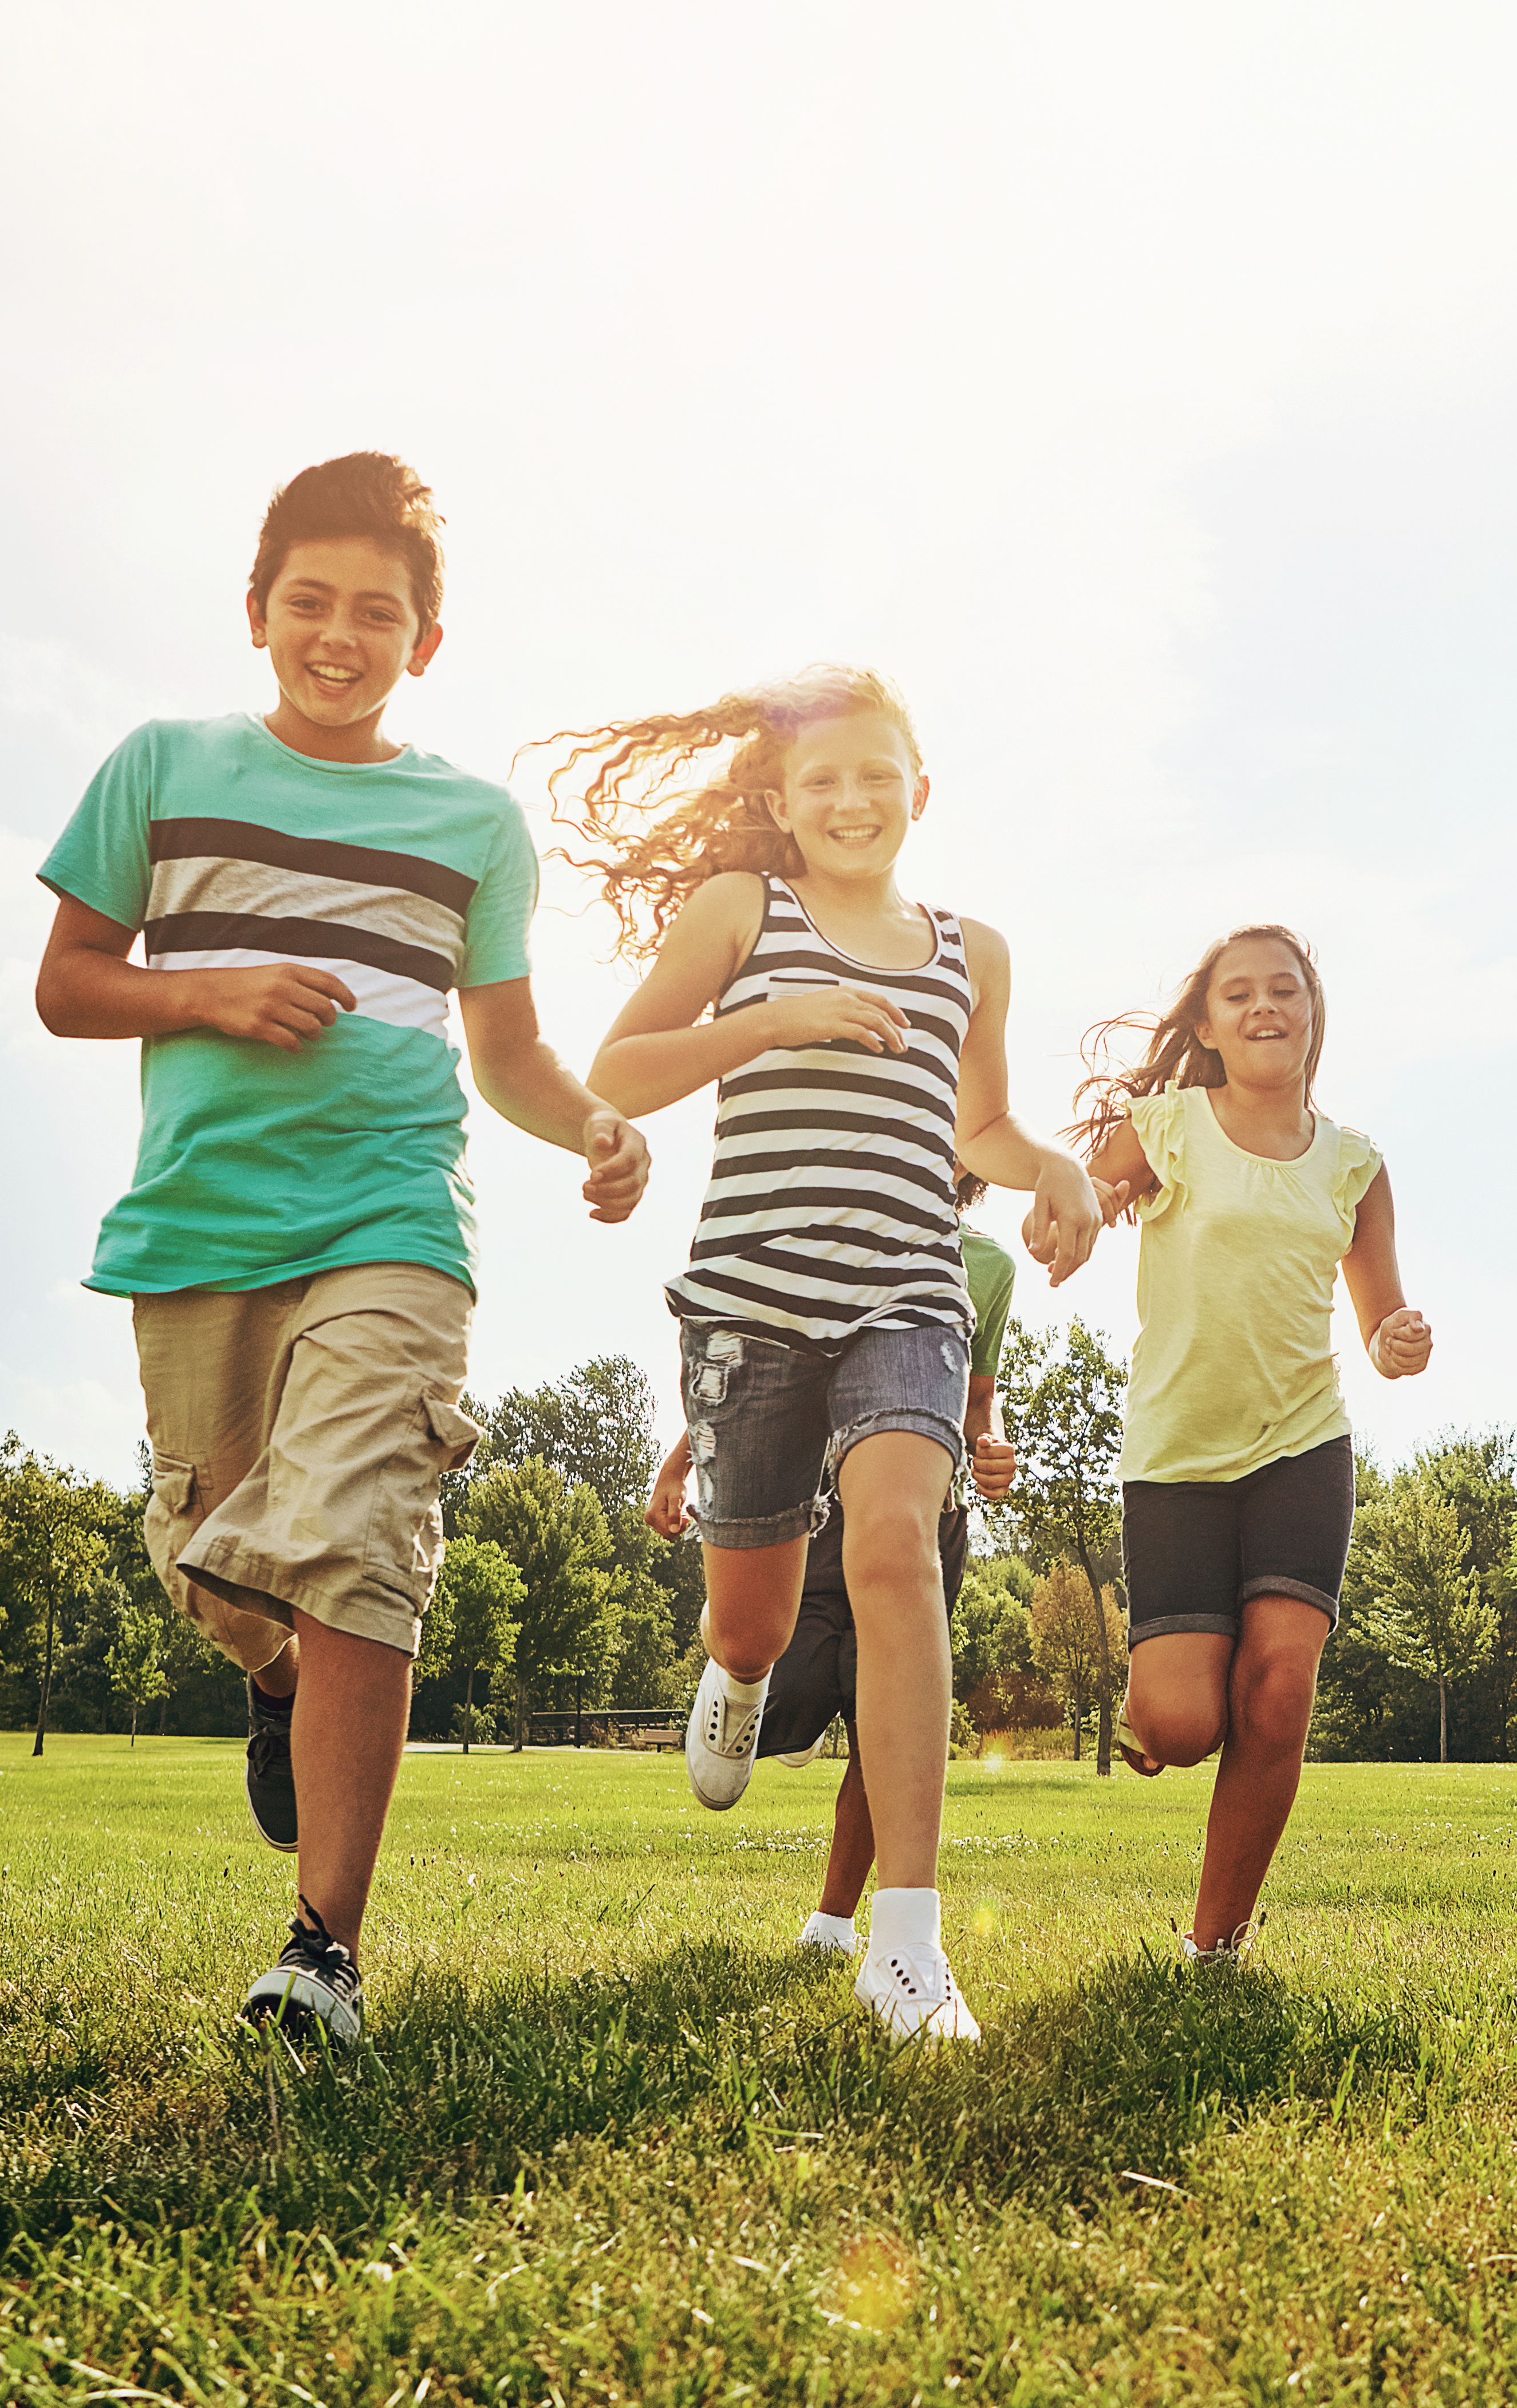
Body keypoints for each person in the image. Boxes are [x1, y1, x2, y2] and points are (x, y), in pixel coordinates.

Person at [32, 452, 651, 2045]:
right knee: (218, 1559)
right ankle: (268, 1676)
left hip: (393, 1217)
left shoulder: (469, 824)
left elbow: (509, 1050)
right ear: (257, 613)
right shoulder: (163, 767)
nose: (339, 634)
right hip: (200, 1229)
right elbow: (70, 982)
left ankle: (323, 1954)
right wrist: (207, 991)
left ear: (422, 642)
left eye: (377, 612)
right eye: (310, 602)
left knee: (362, 1536)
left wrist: (587, 1124)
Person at [555, 666, 1100, 2043]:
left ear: (921, 790)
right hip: (753, 1304)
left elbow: (980, 1132)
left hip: (907, 1296)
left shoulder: (975, 949)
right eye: (823, 781)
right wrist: (775, 1021)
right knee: (754, 1616)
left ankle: (906, 1946)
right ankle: (736, 1681)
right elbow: (613, 1074)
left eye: (877, 776)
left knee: (899, 1550)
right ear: (782, 801)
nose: (852, 800)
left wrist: (1058, 1174)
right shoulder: (745, 910)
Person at [1075, 925, 1429, 1965]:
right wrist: (1074, 1221)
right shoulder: (1171, 1125)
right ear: (1207, 1023)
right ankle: (1173, 1693)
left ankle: (1214, 1945)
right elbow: (1088, 1199)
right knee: (1184, 1725)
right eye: (1239, 994)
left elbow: (1380, 1325)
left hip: (1302, 1444)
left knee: (1279, 1692)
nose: (1265, 1006)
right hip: (1178, 1453)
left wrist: (1397, 1340)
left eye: (1286, 989)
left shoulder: (1355, 1166)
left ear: (1314, 1015)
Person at [644, 1175, 1022, 1955]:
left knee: (887, 1715)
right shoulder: (839, 1220)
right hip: (819, 1506)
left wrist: (989, 1442)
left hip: (925, 1514)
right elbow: (768, 1380)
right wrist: (680, 1464)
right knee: (793, 1698)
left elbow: (977, 1393)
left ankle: (836, 1920)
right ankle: (732, 1648)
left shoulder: (988, 1266)